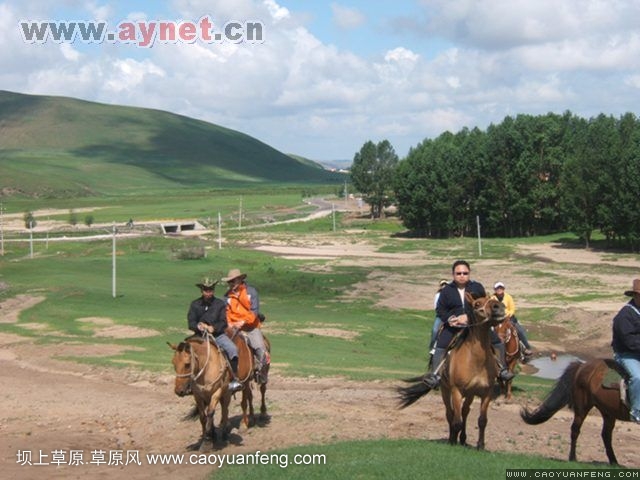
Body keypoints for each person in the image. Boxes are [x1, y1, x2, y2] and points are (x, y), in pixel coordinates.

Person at [422, 260, 515, 389]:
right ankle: (435, 375)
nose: (462, 275)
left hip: (476, 325)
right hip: (454, 326)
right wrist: (450, 319)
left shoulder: (477, 287)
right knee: (441, 345)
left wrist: (469, 317)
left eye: (465, 273)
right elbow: (440, 310)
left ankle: (502, 369)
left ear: (469, 273)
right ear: (453, 274)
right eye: (458, 273)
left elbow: (484, 304)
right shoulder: (447, 291)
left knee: (497, 342)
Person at [187, 276, 243, 393]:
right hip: (199, 336)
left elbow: (223, 322)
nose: (208, 293)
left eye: (210, 290)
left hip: (217, 335)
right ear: (201, 291)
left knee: (233, 349)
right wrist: (199, 326)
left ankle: (234, 380)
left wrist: (213, 328)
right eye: (206, 290)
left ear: (213, 290)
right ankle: (188, 382)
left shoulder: (219, 304)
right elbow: (191, 322)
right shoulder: (195, 304)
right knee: (184, 352)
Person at [223, 268, 269, 383]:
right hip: (232, 327)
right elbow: (226, 312)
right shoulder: (227, 296)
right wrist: (229, 323)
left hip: (250, 327)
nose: (231, 284)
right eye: (229, 282)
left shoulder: (251, 292)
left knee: (260, 349)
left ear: (240, 280)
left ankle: (260, 372)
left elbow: (254, 312)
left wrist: (243, 322)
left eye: (233, 281)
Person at [612, 278, 640, 424]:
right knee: (637, 377)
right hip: (626, 354)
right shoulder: (624, 315)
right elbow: (629, 342)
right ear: (635, 296)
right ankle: (637, 411)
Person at [491, 281, 533, 357]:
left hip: (509, 318)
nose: (499, 290)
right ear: (495, 290)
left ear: (503, 289)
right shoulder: (492, 298)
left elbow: (512, 309)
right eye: (497, 288)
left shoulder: (508, 297)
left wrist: (508, 315)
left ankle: (526, 347)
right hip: (497, 319)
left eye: (501, 288)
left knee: (520, 331)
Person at [428, 279, 449, 353]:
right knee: (435, 330)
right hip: (440, 316)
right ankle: (432, 346)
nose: (444, 286)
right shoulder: (438, 295)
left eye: (445, 285)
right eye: (442, 285)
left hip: (449, 316)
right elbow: (436, 307)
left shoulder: (451, 295)